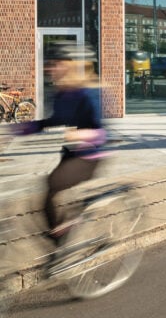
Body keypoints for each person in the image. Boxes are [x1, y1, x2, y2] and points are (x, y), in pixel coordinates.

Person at [17, 42, 107, 247]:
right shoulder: (61, 94)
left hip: (89, 158)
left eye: (55, 64)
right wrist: (26, 128)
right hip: (71, 155)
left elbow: (101, 133)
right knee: (48, 198)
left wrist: (80, 134)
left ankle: (64, 240)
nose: (50, 69)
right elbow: (53, 120)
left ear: (70, 65)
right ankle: (62, 243)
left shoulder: (87, 93)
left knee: (51, 184)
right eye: (49, 64)